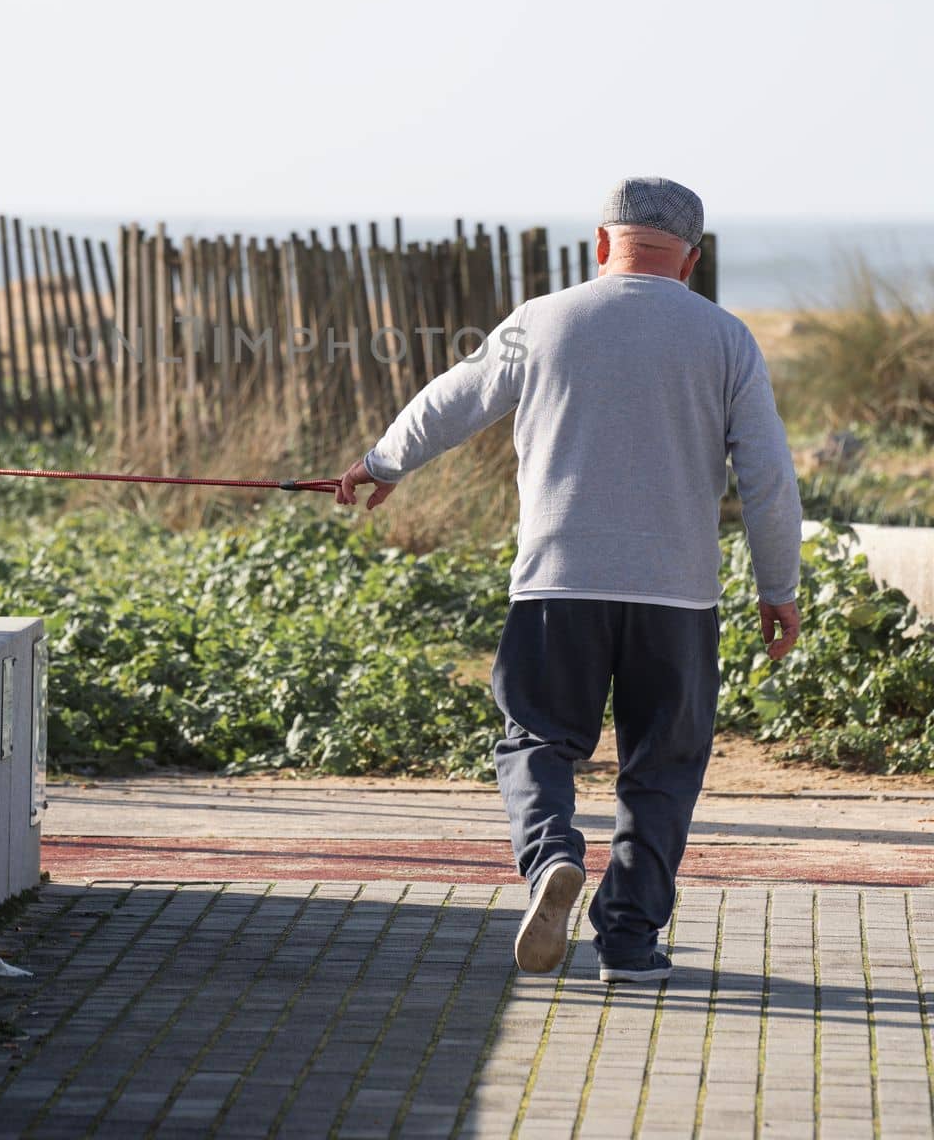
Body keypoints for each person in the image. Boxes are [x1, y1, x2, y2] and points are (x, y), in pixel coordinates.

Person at [337, 177, 802, 984]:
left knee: (536, 741)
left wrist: (383, 463)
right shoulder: (725, 338)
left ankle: (552, 854)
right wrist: (779, 586)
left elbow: (454, 398)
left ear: (600, 244)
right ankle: (626, 943)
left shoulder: (544, 320)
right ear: (691, 259)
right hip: (677, 597)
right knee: (662, 765)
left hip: (557, 583)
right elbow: (767, 477)